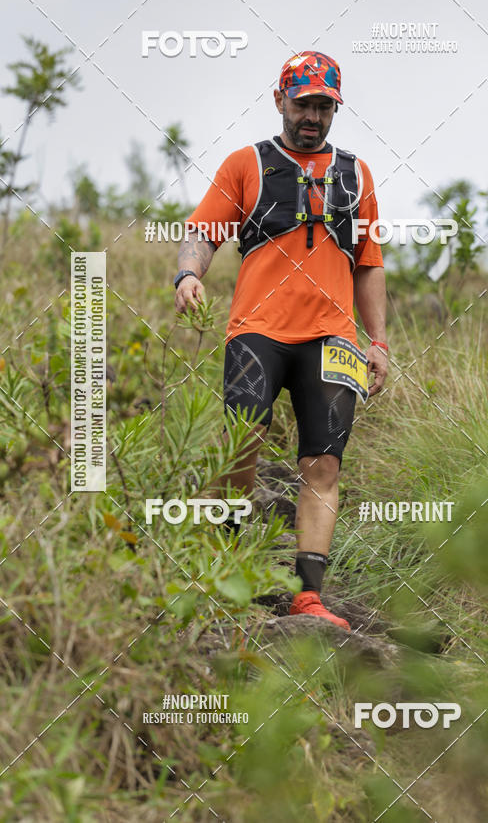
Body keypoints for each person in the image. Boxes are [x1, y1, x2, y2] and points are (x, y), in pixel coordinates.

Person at [175, 51, 388, 630]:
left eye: (324, 106)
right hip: (257, 331)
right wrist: (190, 272)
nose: (312, 116)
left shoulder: (357, 174)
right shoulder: (246, 163)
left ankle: (308, 595)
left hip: (335, 339)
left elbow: (369, 265)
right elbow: (203, 230)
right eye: (303, 104)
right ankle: (221, 565)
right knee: (241, 441)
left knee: (323, 464)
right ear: (279, 100)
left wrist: (380, 342)